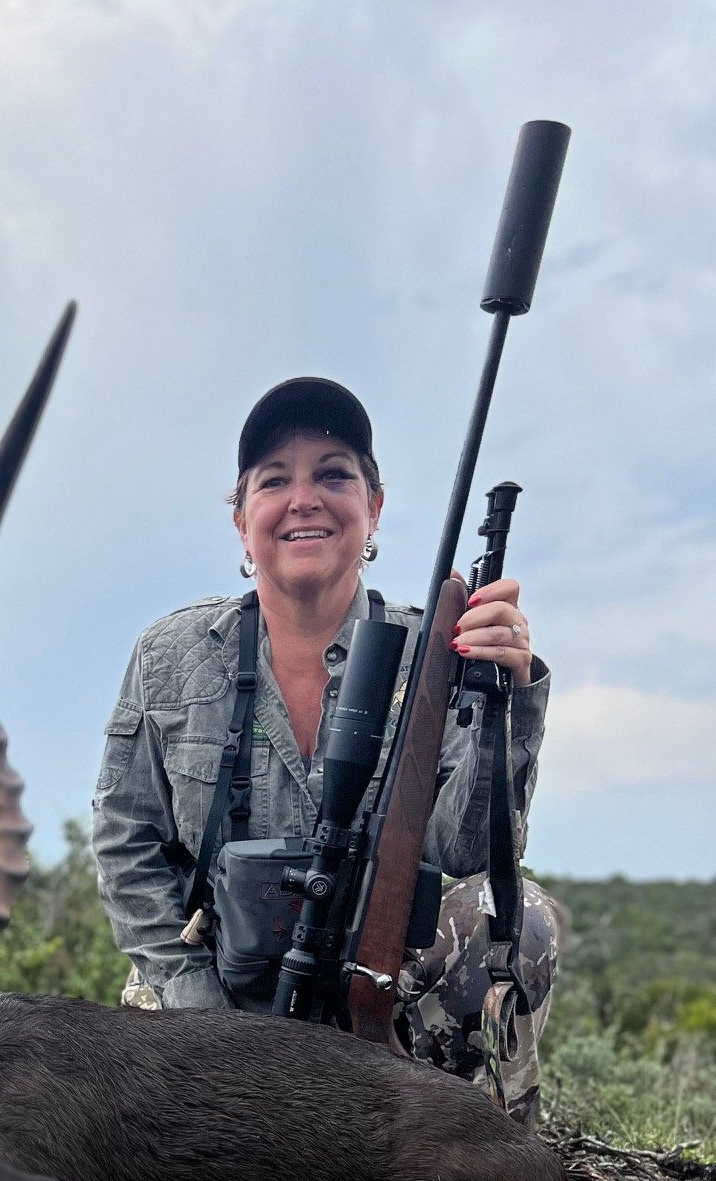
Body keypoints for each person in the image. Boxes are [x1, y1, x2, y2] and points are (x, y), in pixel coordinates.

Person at [91, 377, 559, 1124]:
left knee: (518, 914)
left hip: (379, 983)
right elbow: (127, 847)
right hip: (211, 993)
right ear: (244, 523)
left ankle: (486, 1161)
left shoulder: (436, 656)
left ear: (373, 509)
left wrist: (509, 693)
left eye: (334, 474)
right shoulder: (168, 655)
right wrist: (206, 1016)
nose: (304, 497)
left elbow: (465, 853)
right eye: (274, 480)